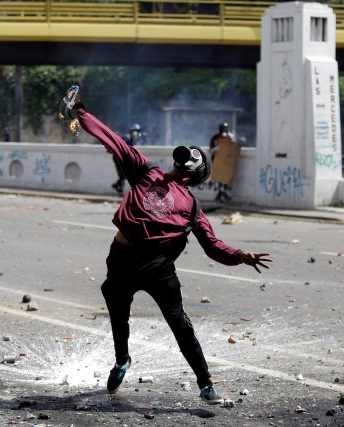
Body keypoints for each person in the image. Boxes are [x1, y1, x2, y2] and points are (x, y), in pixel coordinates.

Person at [60, 89, 272, 404]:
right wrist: (80, 112)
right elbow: (113, 140)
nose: (181, 163)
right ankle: (122, 360)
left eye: (189, 162)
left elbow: (212, 245)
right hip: (121, 256)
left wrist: (241, 256)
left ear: (194, 176)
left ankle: (206, 384)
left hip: (156, 266)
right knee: (118, 310)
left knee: (180, 323)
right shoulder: (147, 172)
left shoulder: (191, 206)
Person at [111, 123, 143, 195]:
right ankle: (118, 188)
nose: (137, 133)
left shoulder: (130, 139)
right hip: (118, 157)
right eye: (136, 131)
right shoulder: (127, 138)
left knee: (124, 174)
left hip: (121, 157)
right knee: (123, 174)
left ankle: (118, 188)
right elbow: (121, 148)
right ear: (132, 131)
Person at [209, 122, 236, 203]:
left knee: (225, 178)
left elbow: (233, 148)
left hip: (227, 161)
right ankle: (222, 194)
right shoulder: (215, 138)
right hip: (217, 160)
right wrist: (218, 148)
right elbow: (211, 150)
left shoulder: (229, 137)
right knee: (220, 177)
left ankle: (221, 194)